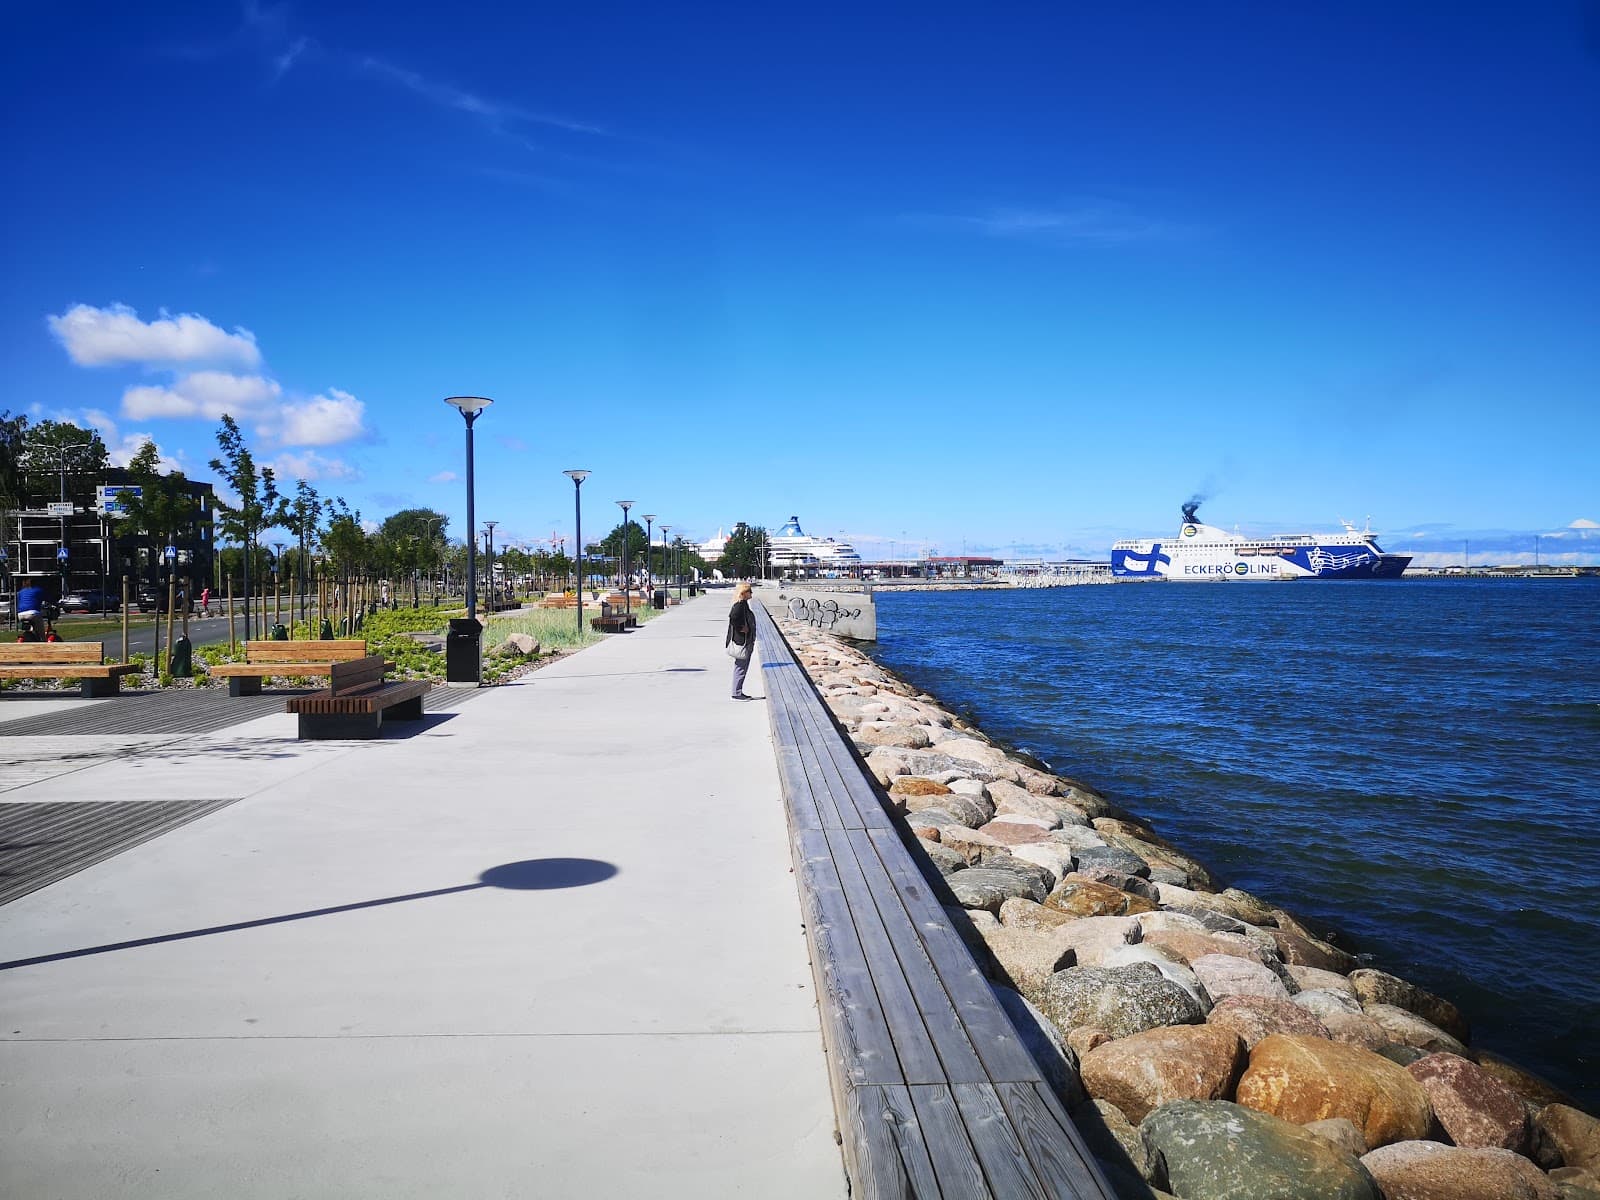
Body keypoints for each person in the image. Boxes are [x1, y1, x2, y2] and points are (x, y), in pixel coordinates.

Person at [726, 580, 758, 700]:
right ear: (743, 592)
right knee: (741, 666)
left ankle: (737, 691)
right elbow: (733, 618)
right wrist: (741, 628)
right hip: (741, 642)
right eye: (750, 591)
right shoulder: (739, 605)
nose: (751, 593)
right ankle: (737, 692)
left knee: (740, 666)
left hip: (743, 640)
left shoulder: (742, 604)